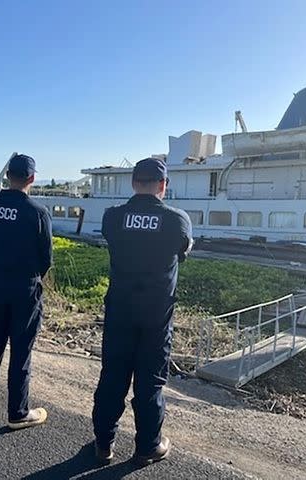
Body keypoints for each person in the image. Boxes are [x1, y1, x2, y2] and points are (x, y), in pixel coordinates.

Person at [92, 158, 193, 466]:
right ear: (163, 185)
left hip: (120, 311)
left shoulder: (113, 217)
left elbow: (117, 237)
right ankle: (148, 445)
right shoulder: (177, 219)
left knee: (112, 377)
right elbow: (184, 250)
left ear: (134, 183)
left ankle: (103, 443)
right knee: (149, 381)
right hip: (156, 317)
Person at [0, 153, 53, 429]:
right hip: (25, 288)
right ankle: (17, 412)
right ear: (31, 178)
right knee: (21, 350)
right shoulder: (37, 212)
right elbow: (46, 258)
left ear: (8, 175)